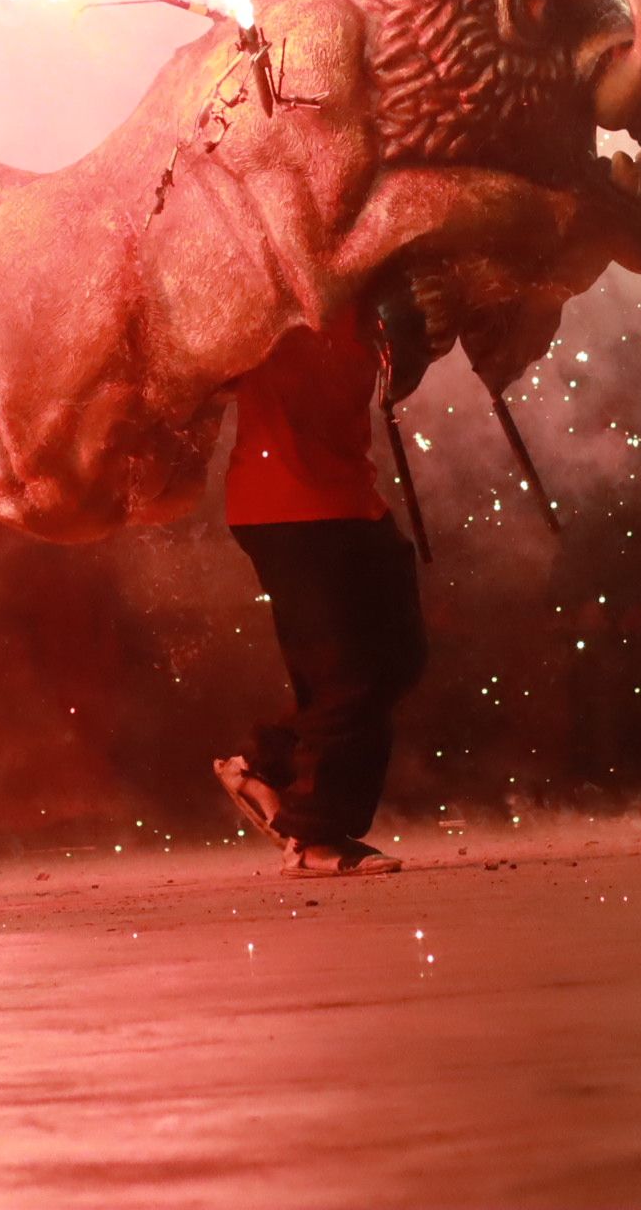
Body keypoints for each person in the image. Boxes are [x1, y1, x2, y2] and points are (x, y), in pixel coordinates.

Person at [210, 304, 426, 878]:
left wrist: (420, 326)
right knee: (346, 673)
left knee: (400, 656)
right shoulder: (267, 293)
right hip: (284, 505)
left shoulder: (373, 297)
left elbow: (402, 372)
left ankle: (265, 766)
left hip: (354, 498)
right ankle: (313, 838)